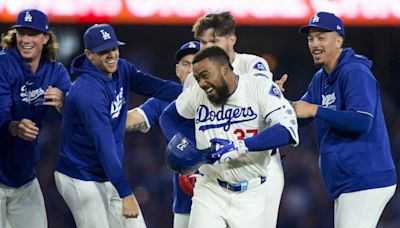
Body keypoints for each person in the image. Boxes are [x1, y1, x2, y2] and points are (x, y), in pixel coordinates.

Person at [54, 23, 182, 228]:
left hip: (108, 174)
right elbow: (104, 147)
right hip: (80, 177)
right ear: (89, 54)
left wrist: (192, 94)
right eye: (103, 51)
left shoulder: (122, 68)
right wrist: (126, 192)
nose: (111, 55)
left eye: (113, 48)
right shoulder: (87, 91)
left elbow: (154, 86)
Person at [160, 46, 299, 227]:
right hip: (210, 188)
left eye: (205, 76)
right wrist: (183, 146)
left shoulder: (259, 87)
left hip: (252, 193)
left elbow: (287, 130)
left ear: (225, 70)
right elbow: (168, 117)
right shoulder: (198, 93)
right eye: (197, 78)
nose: (201, 83)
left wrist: (241, 146)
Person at [292, 11, 396, 228]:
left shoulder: (355, 72)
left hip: (366, 177)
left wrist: (316, 110)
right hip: (346, 180)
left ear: (338, 41)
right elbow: (300, 115)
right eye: (310, 39)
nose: (314, 43)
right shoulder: (321, 78)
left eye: (321, 37)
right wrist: (274, 99)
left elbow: (361, 121)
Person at [0, 9, 71, 228]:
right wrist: (13, 127)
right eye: (22, 33)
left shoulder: (55, 71)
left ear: (45, 38)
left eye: (33, 33)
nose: (26, 40)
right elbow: (1, 111)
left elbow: (80, 114)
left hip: (25, 179)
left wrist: (64, 103)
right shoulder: (3, 64)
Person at [125, 40, 200, 228]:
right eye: (185, 64)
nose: (191, 70)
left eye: (197, 63)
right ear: (177, 70)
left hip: (224, 195)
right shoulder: (167, 98)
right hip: (184, 201)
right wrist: (93, 116)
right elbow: (134, 118)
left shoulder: (225, 98)